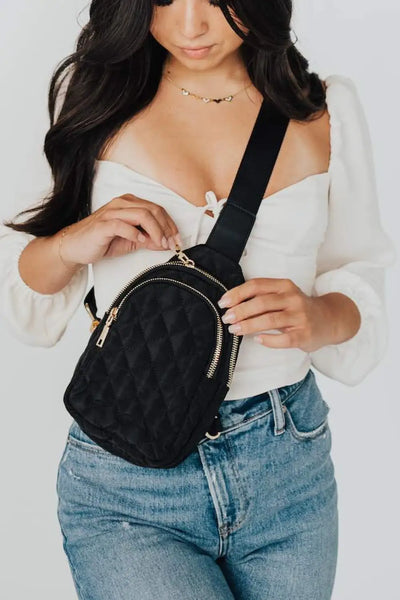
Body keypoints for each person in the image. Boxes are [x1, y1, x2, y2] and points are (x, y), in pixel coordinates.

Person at [0, 1, 396, 598]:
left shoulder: (325, 108)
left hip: (287, 464)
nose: (190, 26)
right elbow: (25, 302)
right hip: (128, 480)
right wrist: (70, 244)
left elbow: (361, 275)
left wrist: (318, 316)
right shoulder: (91, 98)